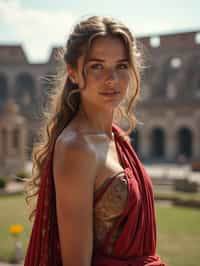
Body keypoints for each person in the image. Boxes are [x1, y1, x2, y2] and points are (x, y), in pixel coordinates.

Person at [24, 16, 166, 266]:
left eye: (122, 66)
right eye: (97, 66)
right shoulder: (76, 147)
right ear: (73, 73)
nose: (112, 79)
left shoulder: (116, 137)